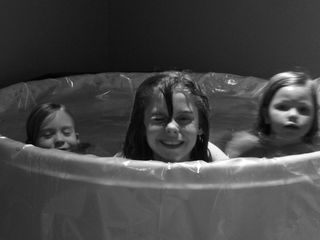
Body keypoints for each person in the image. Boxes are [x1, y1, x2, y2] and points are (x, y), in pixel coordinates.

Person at [119, 72, 228, 162]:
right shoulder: (123, 163)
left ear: (200, 126)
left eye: (184, 119)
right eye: (159, 119)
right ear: (142, 125)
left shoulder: (218, 164)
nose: (171, 127)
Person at [225, 71, 319, 158]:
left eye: (303, 109)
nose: (293, 115)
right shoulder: (246, 146)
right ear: (266, 115)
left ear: (313, 117)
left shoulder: (314, 151)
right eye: (282, 107)